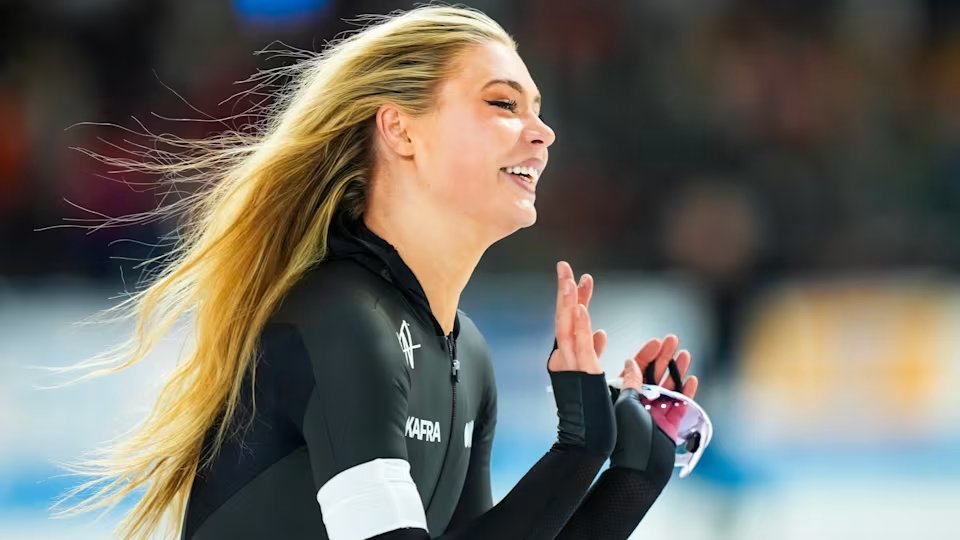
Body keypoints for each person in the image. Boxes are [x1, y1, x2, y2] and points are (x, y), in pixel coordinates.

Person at [52, 6, 699, 539]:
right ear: (400, 130)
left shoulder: (465, 354)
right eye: (504, 103)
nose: (543, 133)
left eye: (537, 109)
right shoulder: (343, 319)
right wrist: (578, 451)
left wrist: (629, 475)